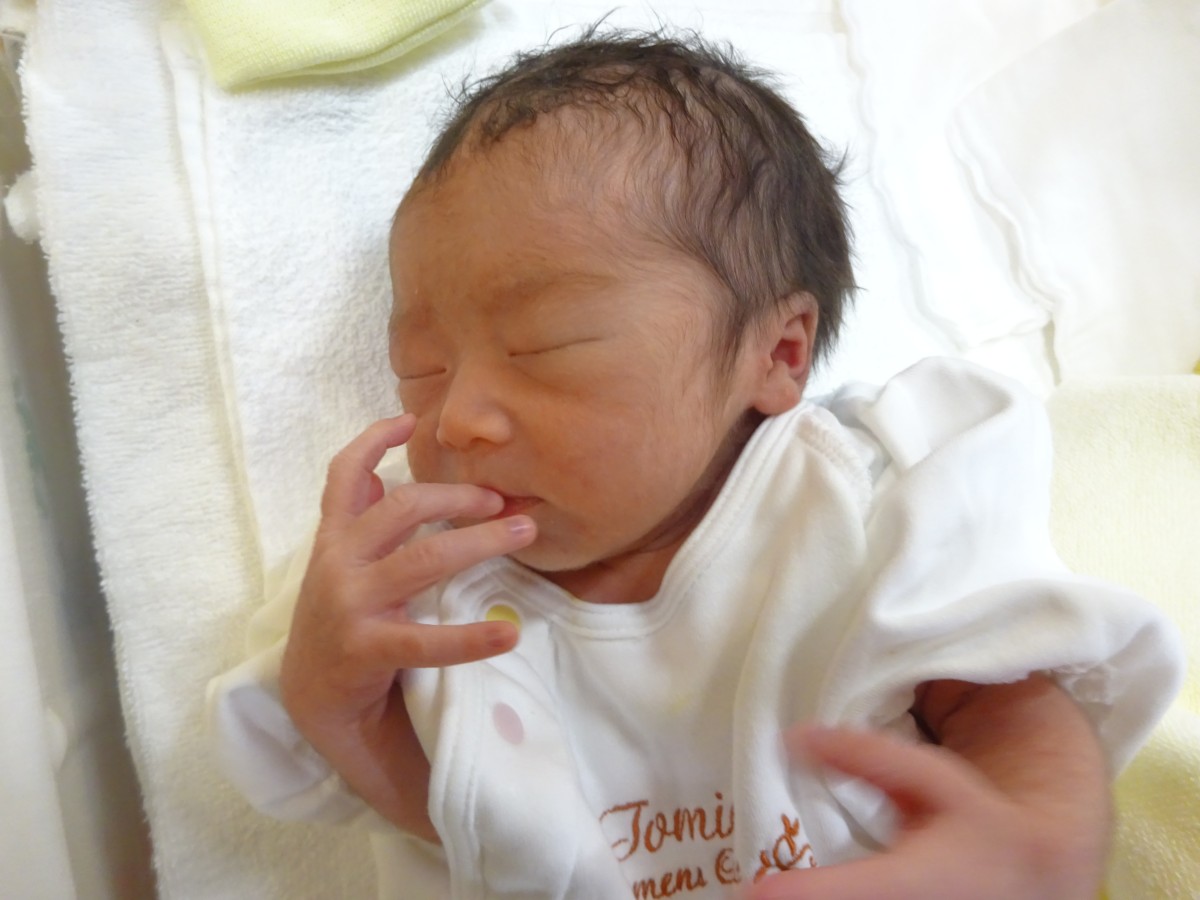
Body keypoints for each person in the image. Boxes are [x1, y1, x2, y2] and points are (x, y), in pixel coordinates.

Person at [208, 27, 1183, 900]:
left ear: (778, 353)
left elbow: (1007, 697)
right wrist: (336, 703)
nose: (456, 417)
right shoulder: (418, 576)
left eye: (545, 344)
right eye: (421, 368)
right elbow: (458, 823)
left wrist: (1034, 838)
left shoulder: (858, 500)